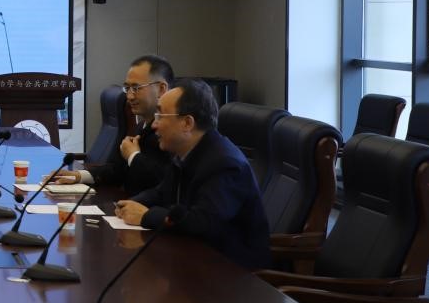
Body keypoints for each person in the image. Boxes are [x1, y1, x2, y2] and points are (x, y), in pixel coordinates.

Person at [115, 78, 271, 270]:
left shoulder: (224, 164)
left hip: (230, 273)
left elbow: (203, 223)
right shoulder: (186, 152)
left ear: (187, 123)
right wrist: (128, 205)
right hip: (192, 260)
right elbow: (161, 193)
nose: (154, 125)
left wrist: (146, 216)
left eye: (161, 115)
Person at [52, 54, 175, 195]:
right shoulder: (141, 126)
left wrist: (133, 155)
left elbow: (161, 183)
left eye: (136, 88)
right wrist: (79, 176)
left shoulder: (171, 132)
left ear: (161, 89)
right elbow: (119, 170)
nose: (129, 96)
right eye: (127, 88)